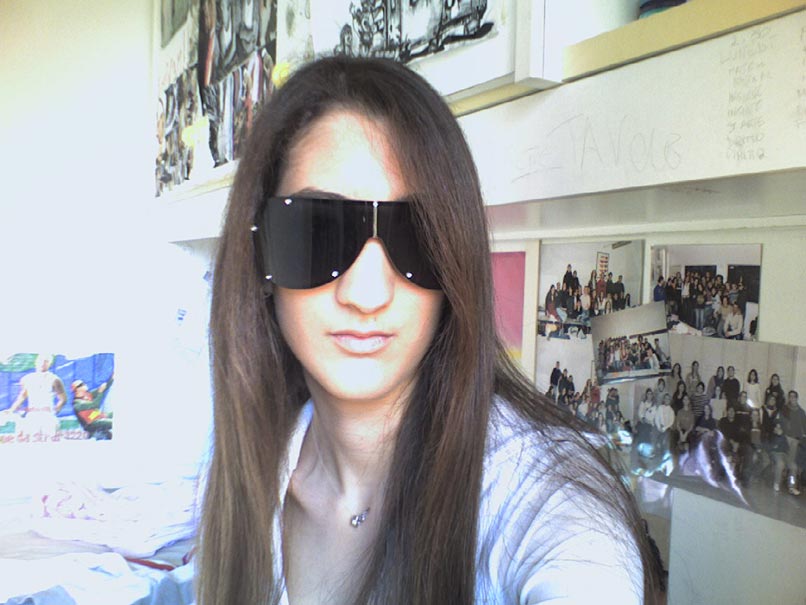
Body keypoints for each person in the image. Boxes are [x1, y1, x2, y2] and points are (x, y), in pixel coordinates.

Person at [199, 57, 658, 605]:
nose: (367, 294)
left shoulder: (547, 498)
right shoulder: (246, 471)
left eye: (415, 237)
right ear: (260, 252)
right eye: (317, 231)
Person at [9, 353, 66, 438]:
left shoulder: (55, 380)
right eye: (41, 361)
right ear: (36, 362)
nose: (43, 363)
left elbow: (63, 399)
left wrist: (54, 412)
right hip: (32, 416)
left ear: (49, 364)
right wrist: (11, 410)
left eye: (46, 361)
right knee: (31, 440)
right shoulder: (26, 379)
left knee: (49, 440)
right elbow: (22, 396)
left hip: (48, 417)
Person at [782, 390, 805, 495]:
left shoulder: (801, 412)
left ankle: (791, 485)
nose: (792, 399)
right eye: (790, 396)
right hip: (785, 438)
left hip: (795, 440)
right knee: (789, 463)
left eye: (794, 397)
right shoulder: (784, 410)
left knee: (793, 465)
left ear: (796, 398)